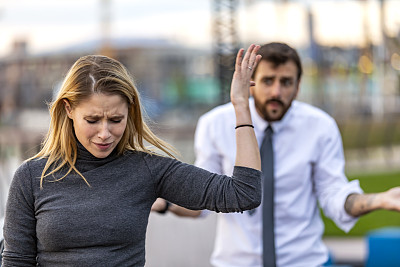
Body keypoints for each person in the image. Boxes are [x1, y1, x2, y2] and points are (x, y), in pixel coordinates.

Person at [1, 44, 263, 266]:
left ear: (131, 110)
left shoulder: (147, 170)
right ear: (68, 109)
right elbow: (16, 261)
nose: (105, 133)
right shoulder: (32, 176)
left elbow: (243, 194)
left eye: (116, 119)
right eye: (92, 120)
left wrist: (241, 107)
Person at [152, 42, 400, 267]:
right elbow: (202, 199)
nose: (276, 92)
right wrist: (164, 202)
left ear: (298, 85)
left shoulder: (320, 126)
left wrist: (377, 200)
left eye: (286, 82)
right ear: (251, 82)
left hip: (304, 261)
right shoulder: (215, 124)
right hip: (236, 262)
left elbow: (333, 194)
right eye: (268, 81)